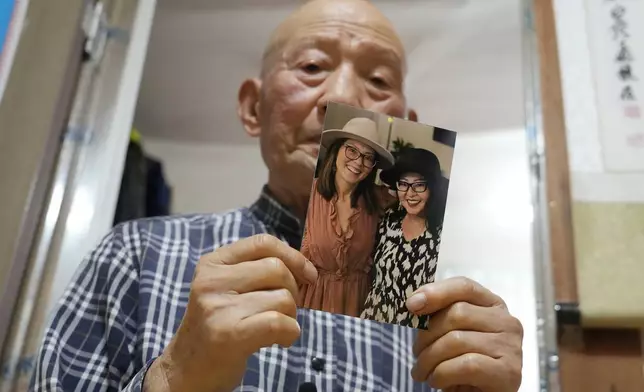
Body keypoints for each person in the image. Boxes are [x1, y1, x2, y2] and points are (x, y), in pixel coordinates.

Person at [30, 0, 524, 391]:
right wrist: (175, 378)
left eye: (378, 81)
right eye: (311, 66)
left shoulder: (435, 324)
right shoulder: (135, 256)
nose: (345, 97)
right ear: (253, 108)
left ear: (405, 129)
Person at [298, 117, 394, 317]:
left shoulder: (378, 200)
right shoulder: (306, 191)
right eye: (352, 150)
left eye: (368, 157)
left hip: (357, 306)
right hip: (310, 302)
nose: (358, 162)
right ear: (336, 152)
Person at [361, 148, 444, 329]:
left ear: (432, 189)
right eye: (403, 184)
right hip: (372, 319)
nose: (410, 193)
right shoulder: (389, 221)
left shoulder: (440, 236)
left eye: (419, 185)